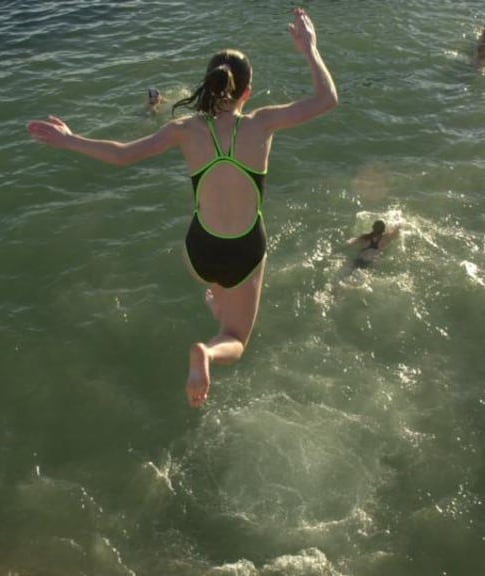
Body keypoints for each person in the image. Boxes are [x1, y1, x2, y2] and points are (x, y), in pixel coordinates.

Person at [26, 7, 338, 408]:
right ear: (247, 92)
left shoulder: (184, 130)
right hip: (244, 249)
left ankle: (218, 300)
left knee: (219, 287)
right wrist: (310, 49)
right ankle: (208, 352)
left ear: (207, 85)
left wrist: (71, 139)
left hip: (199, 250)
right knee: (236, 338)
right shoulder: (261, 124)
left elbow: (123, 154)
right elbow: (327, 98)